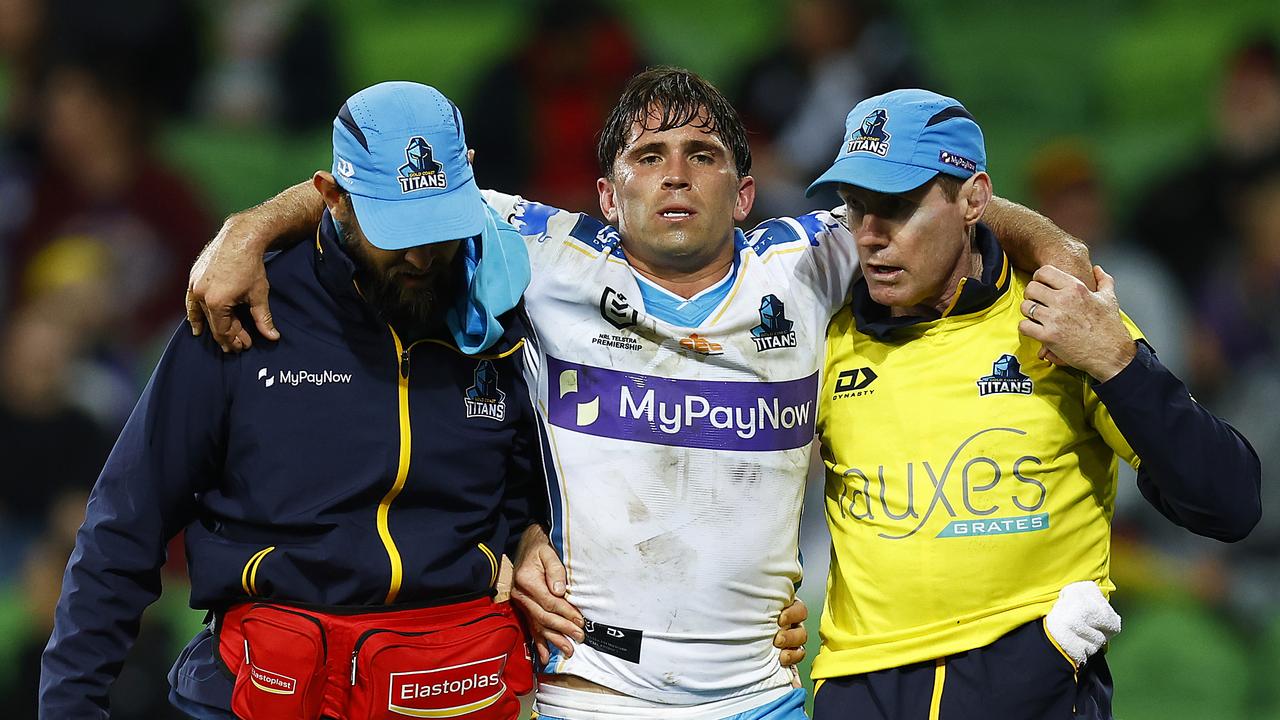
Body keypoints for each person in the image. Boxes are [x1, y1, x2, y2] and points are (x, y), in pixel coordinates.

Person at [187, 68, 1090, 719]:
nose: (674, 172)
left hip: (762, 694)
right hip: (588, 690)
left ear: (743, 195)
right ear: (606, 196)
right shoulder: (542, 252)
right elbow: (379, 193)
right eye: (648, 154)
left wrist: (1050, 247)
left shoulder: (813, 257)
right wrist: (244, 229)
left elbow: (946, 200)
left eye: (700, 155)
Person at [41, 81, 543, 720]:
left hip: (445, 690)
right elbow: (124, 525)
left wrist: (527, 536)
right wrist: (70, 706)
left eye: (439, 226)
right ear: (331, 198)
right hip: (264, 691)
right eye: (397, 230)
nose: (422, 254)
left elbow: (536, 487)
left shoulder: (503, 308)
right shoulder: (244, 313)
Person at [805, 89, 1262, 720]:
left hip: (1028, 691)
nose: (872, 237)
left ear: (973, 201)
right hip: (858, 692)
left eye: (899, 208)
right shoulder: (823, 333)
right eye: (856, 208)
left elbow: (1229, 502)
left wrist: (1116, 361)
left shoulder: (1063, 319)